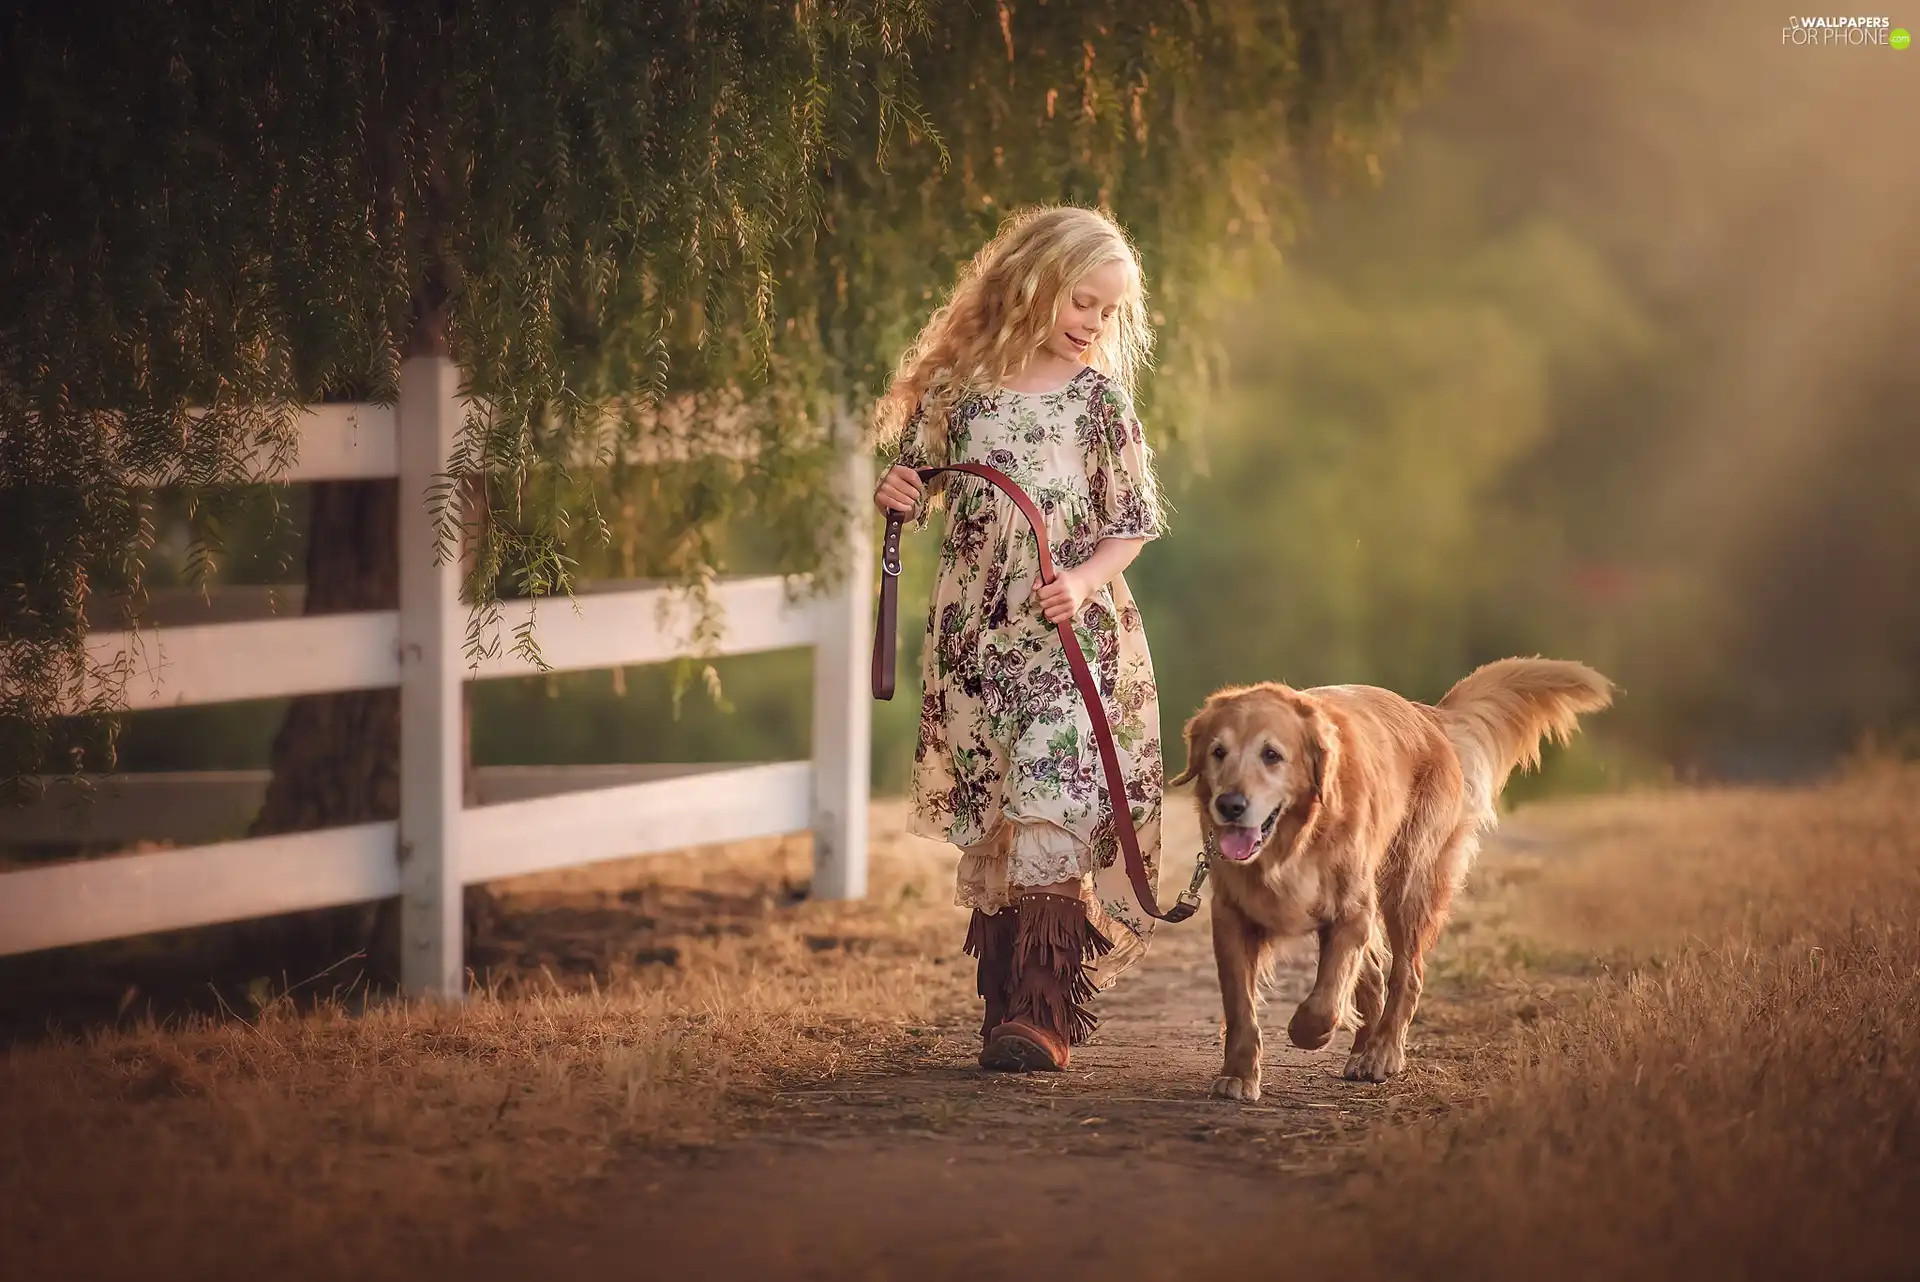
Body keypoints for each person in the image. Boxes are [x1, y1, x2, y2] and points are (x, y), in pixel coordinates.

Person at [871, 204, 1167, 1073]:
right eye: (1083, 303)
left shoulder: (1096, 403)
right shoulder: (958, 386)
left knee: (1055, 801)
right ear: (1032, 284)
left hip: (1067, 636)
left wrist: (1080, 579)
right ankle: (1004, 1008)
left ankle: (1043, 1016)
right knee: (999, 812)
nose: (1094, 325)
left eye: (1108, 313)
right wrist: (898, 496)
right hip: (976, 640)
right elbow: (917, 484)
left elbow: (1133, 524)